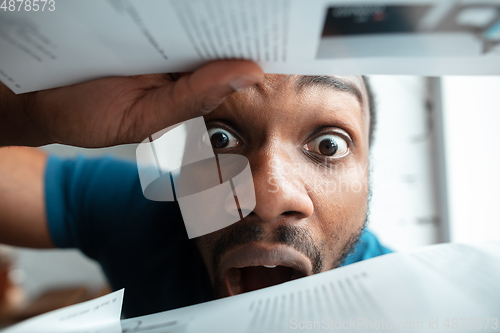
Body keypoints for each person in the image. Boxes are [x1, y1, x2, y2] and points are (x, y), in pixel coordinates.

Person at [0, 74, 391, 318]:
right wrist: (24, 114)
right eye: (219, 139)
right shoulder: (146, 218)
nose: (267, 198)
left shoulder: (411, 308)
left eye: (328, 145)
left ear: (369, 174)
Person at [0, 60, 264, 147]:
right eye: (220, 139)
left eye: (309, 145)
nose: (274, 198)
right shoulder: (144, 223)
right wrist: (28, 115)